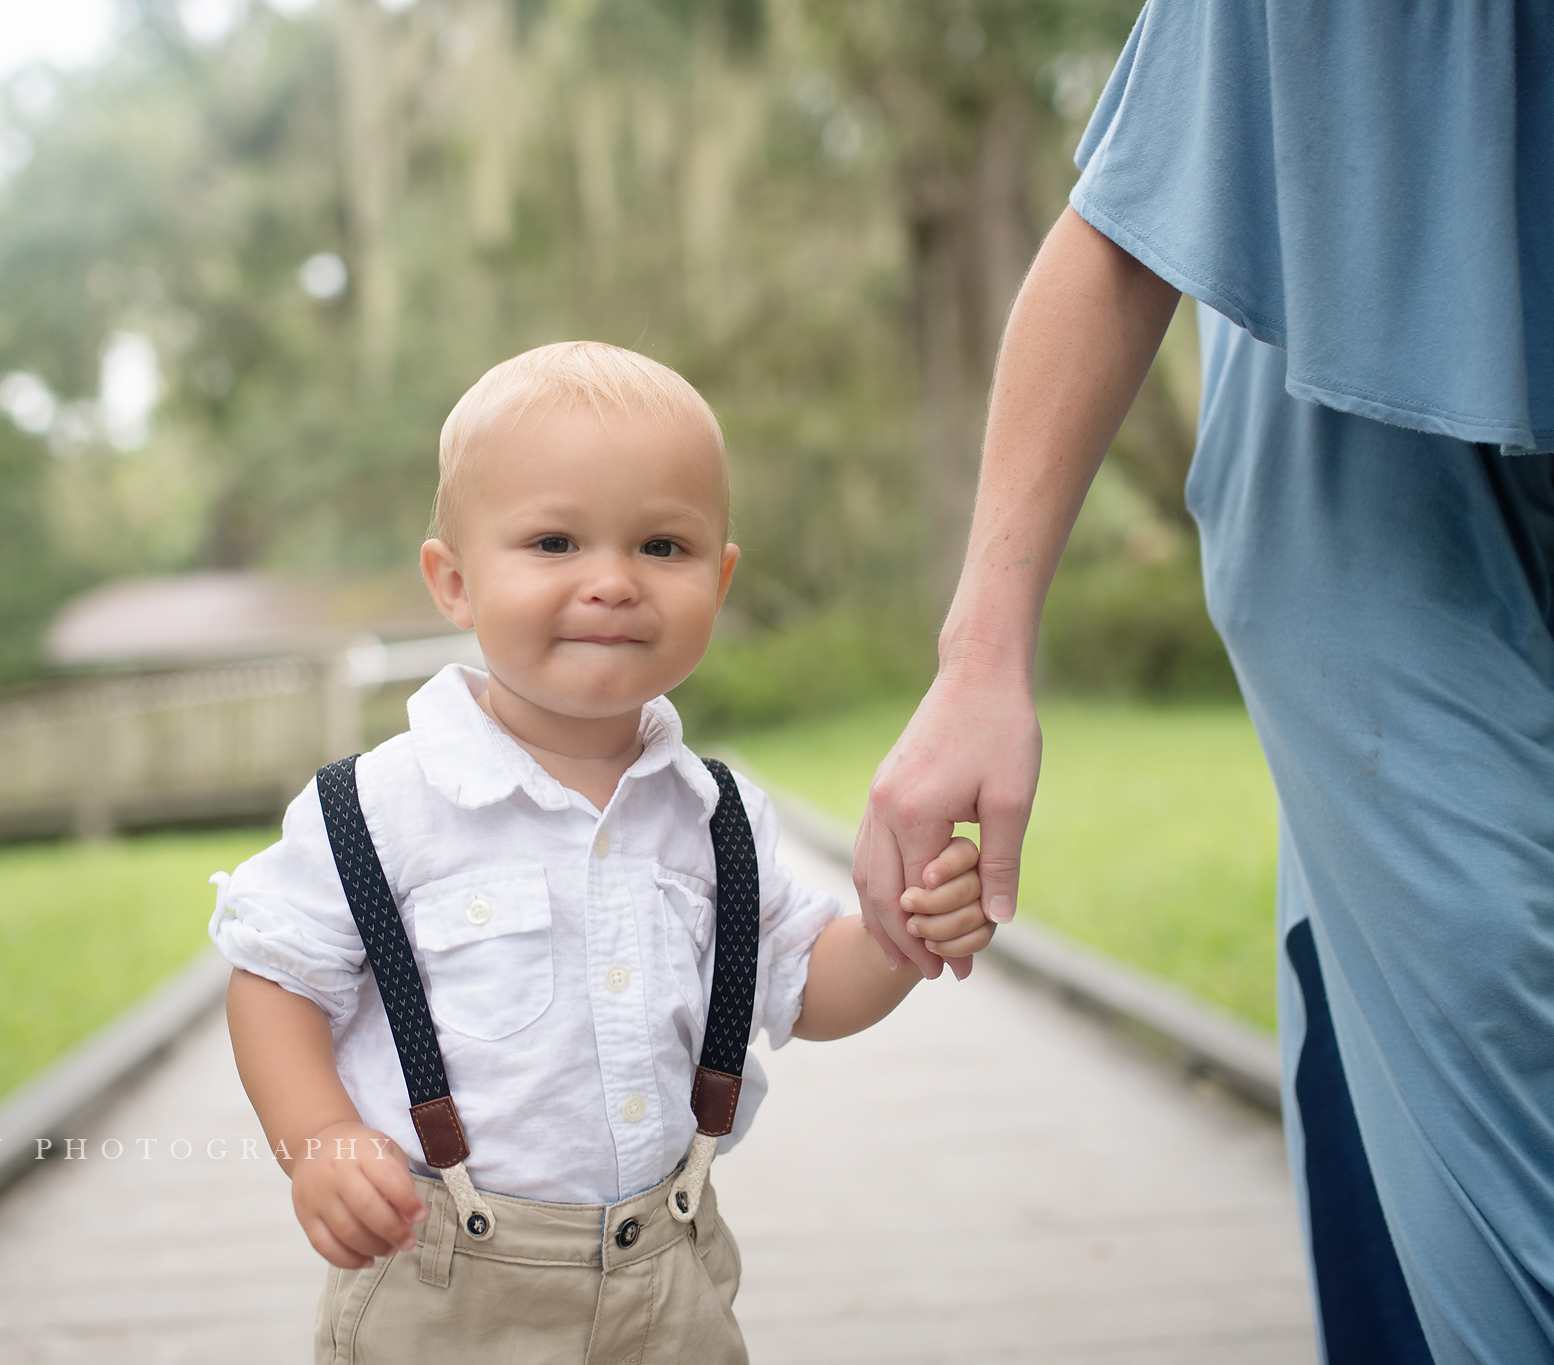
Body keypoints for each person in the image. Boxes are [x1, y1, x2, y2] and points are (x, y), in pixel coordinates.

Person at [853, 5, 1554, 1363]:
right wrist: (981, 657)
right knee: (1491, 998)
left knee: (1402, 1061)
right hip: (1365, 448)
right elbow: (1120, 230)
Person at [210, 341, 989, 1364]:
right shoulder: (383, 808)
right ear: (452, 581)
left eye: (661, 548)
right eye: (553, 543)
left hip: (666, 1275)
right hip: (439, 1281)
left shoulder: (716, 819)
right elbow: (274, 976)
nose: (612, 583)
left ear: (718, 577)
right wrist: (318, 1138)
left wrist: (897, 933)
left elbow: (803, 987)